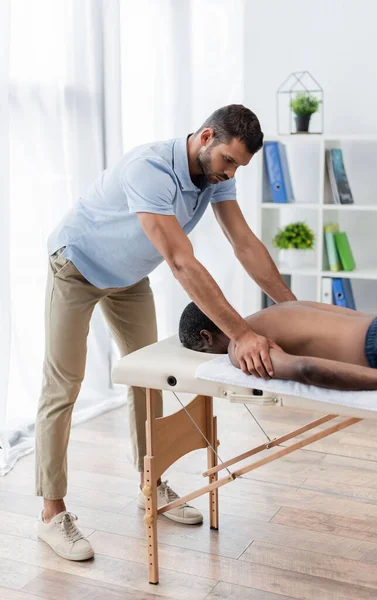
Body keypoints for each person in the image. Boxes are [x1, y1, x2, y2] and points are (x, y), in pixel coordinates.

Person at [35, 104, 295, 561]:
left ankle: (148, 485)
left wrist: (294, 310)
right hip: (75, 267)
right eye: (228, 161)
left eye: (238, 166)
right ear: (205, 137)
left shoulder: (216, 175)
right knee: (64, 385)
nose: (230, 172)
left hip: (128, 278)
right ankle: (52, 514)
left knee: (149, 379)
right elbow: (180, 261)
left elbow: (244, 243)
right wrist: (241, 335)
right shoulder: (150, 169)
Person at [179, 300, 377, 391]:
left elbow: (306, 370)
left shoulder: (239, 348)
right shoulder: (281, 307)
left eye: (204, 352)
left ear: (206, 337)